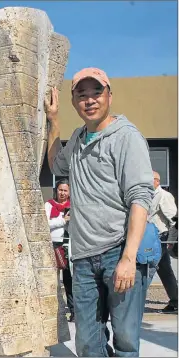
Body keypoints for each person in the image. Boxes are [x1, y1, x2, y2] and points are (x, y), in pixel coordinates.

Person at [45, 68, 154, 357]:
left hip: (118, 252)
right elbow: (57, 166)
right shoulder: (79, 138)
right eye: (82, 94)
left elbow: (141, 197)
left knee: (126, 341)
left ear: (109, 95)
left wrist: (129, 258)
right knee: (87, 343)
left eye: (97, 92)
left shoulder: (126, 137)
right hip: (82, 258)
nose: (89, 100)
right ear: (74, 101)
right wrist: (53, 121)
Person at [45, 178, 74, 322]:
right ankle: (54, 311)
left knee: (70, 280)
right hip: (53, 246)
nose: (62, 193)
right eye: (60, 190)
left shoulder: (73, 206)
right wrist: (63, 220)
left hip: (69, 246)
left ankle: (73, 311)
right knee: (53, 280)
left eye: (65, 190)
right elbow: (45, 224)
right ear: (56, 191)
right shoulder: (49, 205)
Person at [149, 171, 178, 313]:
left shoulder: (164, 196)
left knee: (148, 268)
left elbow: (174, 219)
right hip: (150, 237)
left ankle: (134, 301)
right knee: (165, 270)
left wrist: (171, 239)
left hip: (161, 237)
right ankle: (176, 300)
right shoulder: (149, 195)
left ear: (156, 181)